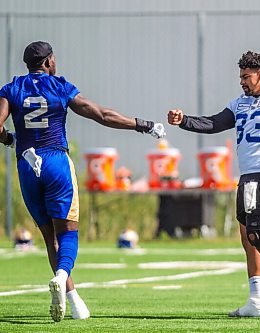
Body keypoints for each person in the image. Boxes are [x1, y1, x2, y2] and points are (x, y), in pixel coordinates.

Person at [0, 41, 166, 322]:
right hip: (55, 161)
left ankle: (74, 301)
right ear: (49, 62)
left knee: (49, 237)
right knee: (68, 233)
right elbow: (100, 114)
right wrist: (142, 124)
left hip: (27, 164)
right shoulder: (59, 86)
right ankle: (63, 276)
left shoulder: (11, 89)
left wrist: (10, 140)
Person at [167, 51, 260, 318]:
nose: (242, 82)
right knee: (247, 238)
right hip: (247, 176)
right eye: (241, 76)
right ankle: (256, 301)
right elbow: (213, 123)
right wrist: (183, 120)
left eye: (246, 77)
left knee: (257, 233)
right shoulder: (239, 104)